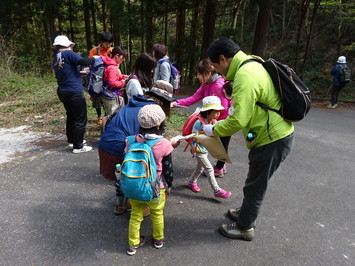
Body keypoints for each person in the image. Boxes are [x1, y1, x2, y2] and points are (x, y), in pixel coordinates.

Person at [203, 37, 294, 241]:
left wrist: (213, 129)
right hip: (272, 135)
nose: (218, 71)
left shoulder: (245, 75)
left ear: (223, 58)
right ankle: (245, 214)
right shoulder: (252, 62)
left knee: (255, 185)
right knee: (254, 182)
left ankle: (245, 228)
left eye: (216, 66)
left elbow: (238, 120)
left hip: (272, 139)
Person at [98, 80, 178, 214]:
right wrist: (168, 145)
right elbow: (149, 146)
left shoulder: (136, 102)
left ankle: (121, 205)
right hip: (121, 146)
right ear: (163, 101)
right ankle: (140, 203)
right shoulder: (151, 111)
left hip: (106, 145)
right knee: (138, 171)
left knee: (122, 175)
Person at [126, 104, 174, 256]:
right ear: (159, 124)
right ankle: (158, 240)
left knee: (135, 215)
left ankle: (133, 245)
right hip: (155, 187)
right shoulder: (164, 144)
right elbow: (168, 168)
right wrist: (169, 185)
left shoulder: (131, 141)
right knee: (157, 213)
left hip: (135, 186)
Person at [171, 58, 232, 177]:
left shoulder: (218, 86)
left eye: (199, 73)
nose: (198, 76)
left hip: (224, 120)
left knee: (222, 145)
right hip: (212, 120)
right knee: (216, 144)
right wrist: (176, 103)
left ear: (208, 73)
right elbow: (193, 98)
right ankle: (221, 165)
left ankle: (219, 167)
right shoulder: (206, 85)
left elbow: (223, 108)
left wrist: (214, 123)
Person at [52, 35, 96, 154]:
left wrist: (81, 72)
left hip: (63, 90)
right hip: (74, 91)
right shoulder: (68, 53)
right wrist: (95, 58)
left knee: (71, 116)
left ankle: (72, 140)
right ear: (67, 45)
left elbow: (65, 71)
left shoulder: (56, 57)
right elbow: (85, 61)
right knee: (80, 118)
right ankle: (78, 146)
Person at [186, 96, 232, 198]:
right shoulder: (199, 123)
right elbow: (195, 136)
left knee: (200, 168)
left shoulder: (208, 120)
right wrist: (207, 131)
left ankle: (191, 181)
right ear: (208, 112)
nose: (218, 114)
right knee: (209, 169)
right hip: (198, 149)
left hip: (204, 149)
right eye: (216, 112)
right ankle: (217, 190)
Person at [89, 32, 114, 125]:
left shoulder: (112, 51)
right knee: (97, 97)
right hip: (97, 78)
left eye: (110, 43)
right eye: (106, 43)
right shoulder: (95, 50)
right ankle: (99, 115)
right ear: (102, 42)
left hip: (108, 78)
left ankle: (106, 115)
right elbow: (90, 62)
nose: (108, 45)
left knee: (107, 97)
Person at [101, 46, 128, 116]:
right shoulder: (112, 68)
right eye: (122, 57)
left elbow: (112, 77)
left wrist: (122, 76)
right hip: (109, 96)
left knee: (109, 114)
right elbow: (112, 82)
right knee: (111, 116)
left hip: (107, 94)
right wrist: (123, 82)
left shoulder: (109, 64)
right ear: (117, 56)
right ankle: (108, 126)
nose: (123, 60)